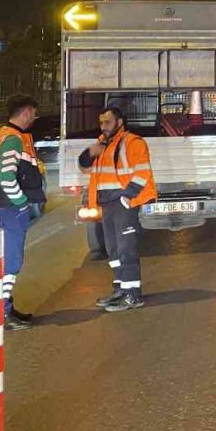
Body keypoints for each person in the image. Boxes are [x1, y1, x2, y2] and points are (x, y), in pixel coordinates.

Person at [79, 106, 156, 312]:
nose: (103, 126)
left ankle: (133, 295)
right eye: (101, 122)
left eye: (108, 122)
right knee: (113, 249)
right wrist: (92, 150)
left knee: (125, 248)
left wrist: (126, 198)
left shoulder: (132, 142)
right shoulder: (104, 144)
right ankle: (121, 289)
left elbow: (142, 173)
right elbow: (84, 165)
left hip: (122, 204)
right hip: (107, 204)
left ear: (119, 123)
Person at [0, 94, 47, 330]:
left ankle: (6, 307)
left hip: (3, 207)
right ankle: (2, 313)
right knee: (12, 261)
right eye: (33, 112)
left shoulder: (5, 135)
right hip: (10, 209)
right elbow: (6, 177)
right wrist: (21, 203)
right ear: (26, 111)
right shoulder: (12, 138)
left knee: (8, 259)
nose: (34, 117)